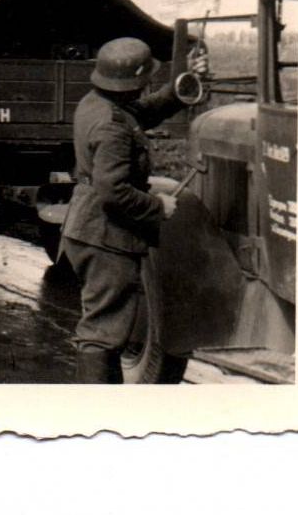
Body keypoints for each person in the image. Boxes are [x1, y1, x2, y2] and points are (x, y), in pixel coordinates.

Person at [60, 37, 206, 383]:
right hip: (106, 233)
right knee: (104, 331)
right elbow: (114, 192)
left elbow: (142, 113)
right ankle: (98, 420)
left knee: (106, 329)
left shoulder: (95, 104)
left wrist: (180, 86)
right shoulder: (112, 126)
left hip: (89, 227)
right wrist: (158, 205)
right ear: (135, 81)